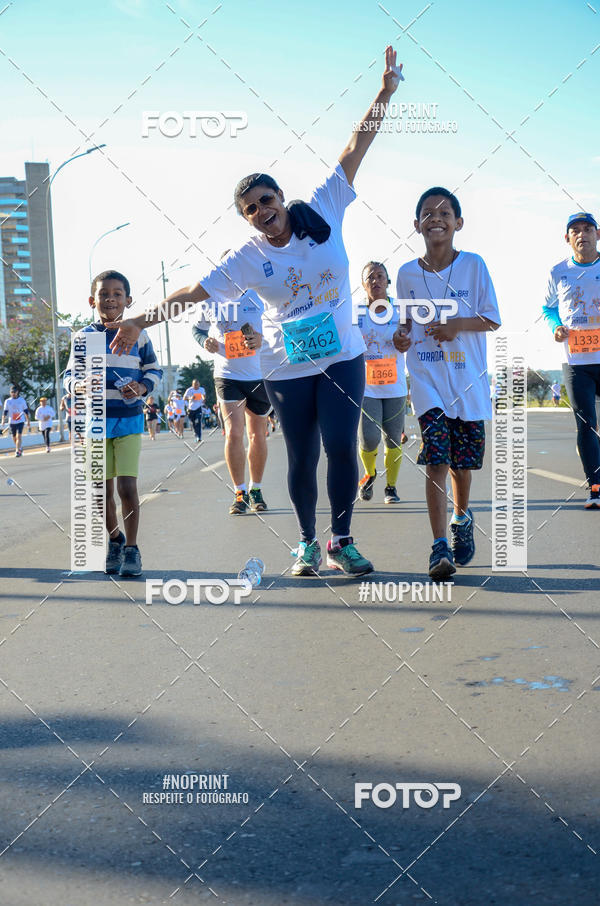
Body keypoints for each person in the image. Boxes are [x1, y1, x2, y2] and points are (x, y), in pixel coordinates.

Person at [107, 46, 404, 577]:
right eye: (251, 211)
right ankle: (308, 543)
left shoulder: (324, 206)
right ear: (247, 221)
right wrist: (138, 320)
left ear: (281, 197)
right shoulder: (249, 257)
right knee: (302, 455)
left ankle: (342, 539)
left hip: (342, 355)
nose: (262, 214)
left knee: (340, 445)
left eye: (266, 201)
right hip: (287, 363)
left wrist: (383, 93)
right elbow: (195, 292)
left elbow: (357, 146)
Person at [395, 186, 501, 579]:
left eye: (444, 212)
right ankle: (439, 547)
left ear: (458, 223)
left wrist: (457, 325)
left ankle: (462, 517)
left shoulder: (474, 266)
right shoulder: (406, 274)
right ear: (417, 224)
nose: (435, 218)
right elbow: (403, 325)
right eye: (427, 213)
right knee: (436, 461)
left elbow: (491, 318)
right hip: (426, 380)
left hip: (467, 382)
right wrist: (400, 337)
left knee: (461, 466)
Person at [64, 270, 162, 577]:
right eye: (104, 294)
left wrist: (142, 387)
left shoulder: (138, 334)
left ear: (128, 301)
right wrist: (79, 386)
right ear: (93, 300)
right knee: (99, 491)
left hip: (129, 420)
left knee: (127, 487)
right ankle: (114, 540)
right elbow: (68, 377)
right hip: (94, 423)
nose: (110, 299)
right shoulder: (84, 338)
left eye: (117, 294)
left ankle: (131, 549)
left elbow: (154, 371)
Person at [193, 290, 269, 514]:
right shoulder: (210, 299)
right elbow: (197, 328)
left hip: (259, 374)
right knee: (234, 433)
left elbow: (280, 326)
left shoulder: (260, 295)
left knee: (256, 434)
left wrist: (261, 339)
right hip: (227, 375)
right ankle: (240, 492)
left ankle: (256, 489)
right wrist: (204, 341)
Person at [543, 213, 600, 507]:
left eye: (588, 228)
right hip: (577, 362)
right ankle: (596, 487)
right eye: (575, 230)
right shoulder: (557, 271)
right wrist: (555, 326)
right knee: (587, 425)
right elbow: (549, 307)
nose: (582, 234)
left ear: (598, 234)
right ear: (567, 239)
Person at [357, 262, 407, 505]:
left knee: (393, 439)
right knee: (369, 439)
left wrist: (404, 340)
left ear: (388, 282)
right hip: (368, 388)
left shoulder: (400, 311)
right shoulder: (357, 314)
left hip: (395, 388)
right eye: (370, 278)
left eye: (380, 276)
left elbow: (411, 338)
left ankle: (391, 487)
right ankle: (370, 473)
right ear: (363, 285)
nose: (375, 281)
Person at [1, 385, 30, 457]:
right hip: (12, 421)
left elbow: (26, 411)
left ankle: (17, 451)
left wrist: (28, 421)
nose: (13, 393)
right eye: (12, 392)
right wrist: (3, 420)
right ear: (10, 393)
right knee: (14, 437)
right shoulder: (7, 401)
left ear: (17, 392)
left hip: (20, 421)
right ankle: (19, 447)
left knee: (19, 436)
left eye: (14, 392)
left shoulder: (22, 400)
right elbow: (5, 412)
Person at [183, 379, 205, 443]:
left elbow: (203, 395)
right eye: (195, 384)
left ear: (199, 384)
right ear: (192, 385)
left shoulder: (201, 389)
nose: (196, 386)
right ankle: (195, 432)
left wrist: (203, 399)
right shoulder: (189, 390)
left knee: (198, 422)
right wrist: (190, 398)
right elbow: (184, 398)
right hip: (191, 409)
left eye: (197, 384)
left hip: (198, 408)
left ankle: (199, 437)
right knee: (193, 423)